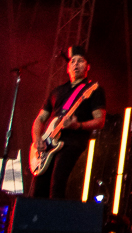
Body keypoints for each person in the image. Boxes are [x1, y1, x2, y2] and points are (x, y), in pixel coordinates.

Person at [31, 46, 106, 198]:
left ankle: (57, 213)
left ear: (88, 66)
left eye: (80, 61)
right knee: (39, 188)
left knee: (57, 183)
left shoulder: (93, 89)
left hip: (72, 142)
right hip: (48, 144)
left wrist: (78, 125)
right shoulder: (57, 91)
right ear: (67, 67)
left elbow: (100, 121)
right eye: (72, 61)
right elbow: (40, 118)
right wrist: (37, 138)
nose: (76, 64)